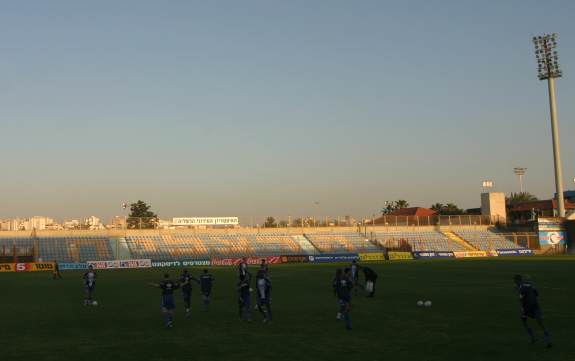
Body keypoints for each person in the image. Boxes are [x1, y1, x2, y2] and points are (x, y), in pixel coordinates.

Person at [514, 275, 551, 347]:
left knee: (524, 320)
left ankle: (532, 337)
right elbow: (537, 293)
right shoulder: (529, 284)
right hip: (535, 306)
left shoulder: (521, 288)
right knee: (540, 323)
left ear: (517, 281)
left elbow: (521, 299)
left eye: (516, 282)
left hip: (528, 307)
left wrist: (522, 308)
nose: (516, 284)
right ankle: (547, 339)